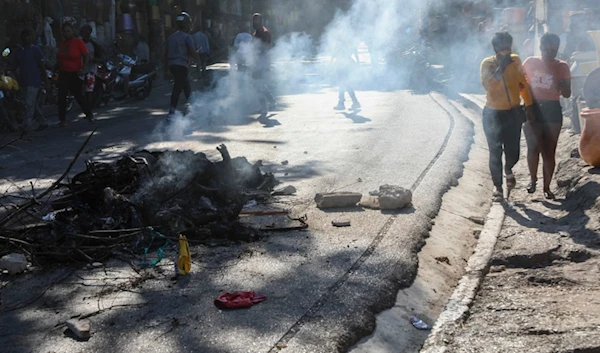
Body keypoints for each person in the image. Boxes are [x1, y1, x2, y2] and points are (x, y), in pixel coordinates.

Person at [480, 31, 535, 201]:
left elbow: (523, 84)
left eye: (508, 46)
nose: (506, 50)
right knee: (495, 151)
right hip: (492, 113)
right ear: (495, 48)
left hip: (513, 112)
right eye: (502, 46)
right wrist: (501, 68)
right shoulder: (487, 64)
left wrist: (529, 105)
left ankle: (508, 169)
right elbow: (487, 86)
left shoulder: (516, 60)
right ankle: (498, 188)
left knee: (514, 151)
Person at [522, 33, 571, 200]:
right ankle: (533, 180)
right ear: (541, 47)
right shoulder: (530, 62)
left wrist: (562, 85)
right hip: (532, 107)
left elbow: (567, 94)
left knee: (549, 152)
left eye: (554, 49)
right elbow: (519, 83)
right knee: (533, 148)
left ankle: (547, 187)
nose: (551, 52)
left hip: (552, 110)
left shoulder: (562, 66)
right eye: (547, 49)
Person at [56, 22, 95, 127]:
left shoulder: (78, 42)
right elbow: (59, 58)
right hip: (63, 72)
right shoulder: (62, 44)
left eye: (68, 31)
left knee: (79, 96)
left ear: (72, 31)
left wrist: (83, 68)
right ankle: (62, 120)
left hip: (75, 72)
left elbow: (86, 56)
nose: (66, 33)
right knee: (61, 96)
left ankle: (89, 114)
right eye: (64, 31)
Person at [164, 12, 197, 119]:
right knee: (178, 88)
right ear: (187, 24)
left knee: (186, 86)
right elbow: (192, 52)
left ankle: (193, 109)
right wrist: (196, 54)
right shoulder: (187, 37)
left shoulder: (171, 37)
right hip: (181, 66)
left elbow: (165, 54)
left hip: (172, 65)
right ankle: (171, 113)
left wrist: (165, 70)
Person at [15, 28, 49, 131]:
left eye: (28, 36)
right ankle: (43, 122)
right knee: (32, 103)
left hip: (34, 81)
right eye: (24, 36)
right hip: (23, 81)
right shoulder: (19, 51)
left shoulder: (35, 49)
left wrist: (46, 81)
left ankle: (27, 125)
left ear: (31, 37)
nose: (26, 38)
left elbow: (42, 66)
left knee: (29, 104)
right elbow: (14, 65)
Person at [251, 13, 275, 118]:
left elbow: (267, 48)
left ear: (261, 21)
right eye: (253, 20)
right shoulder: (255, 33)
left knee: (259, 84)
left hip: (262, 63)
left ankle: (264, 107)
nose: (254, 23)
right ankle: (270, 101)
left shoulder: (265, 33)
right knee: (258, 84)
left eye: (256, 20)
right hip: (257, 62)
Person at [79, 24, 103, 109]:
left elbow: (100, 57)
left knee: (89, 89)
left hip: (91, 69)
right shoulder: (79, 43)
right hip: (80, 70)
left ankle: (89, 107)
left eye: (85, 31)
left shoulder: (94, 44)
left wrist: (93, 60)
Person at [333, 43, 360, 111]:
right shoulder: (346, 47)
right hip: (344, 68)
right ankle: (353, 102)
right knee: (345, 85)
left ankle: (342, 103)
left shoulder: (341, 48)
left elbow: (334, 55)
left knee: (343, 85)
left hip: (343, 68)